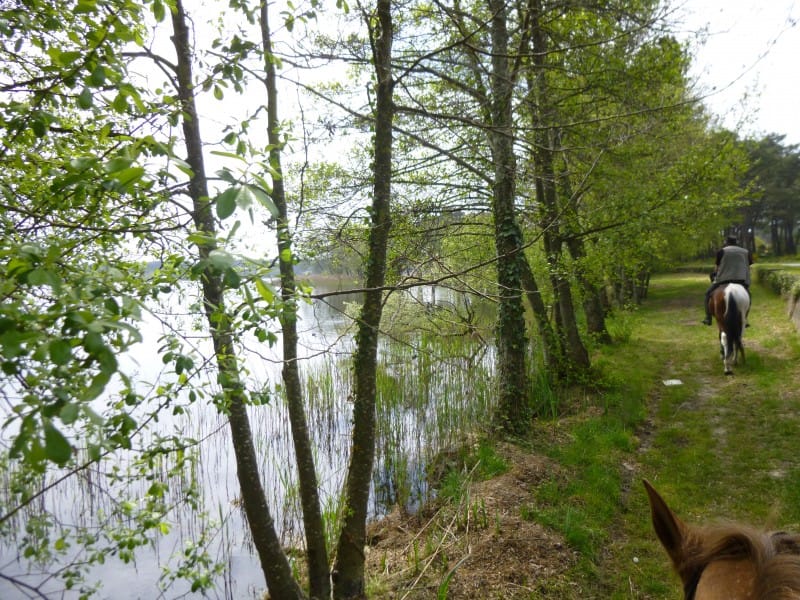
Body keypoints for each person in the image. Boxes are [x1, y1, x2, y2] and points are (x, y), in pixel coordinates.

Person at [702, 235, 753, 325]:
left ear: (727, 242)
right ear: (736, 242)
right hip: (740, 280)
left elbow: (717, 268)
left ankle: (708, 317)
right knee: (748, 295)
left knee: (708, 294)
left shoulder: (722, 251)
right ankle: (745, 318)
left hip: (723, 280)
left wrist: (714, 274)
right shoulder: (745, 252)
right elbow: (748, 265)